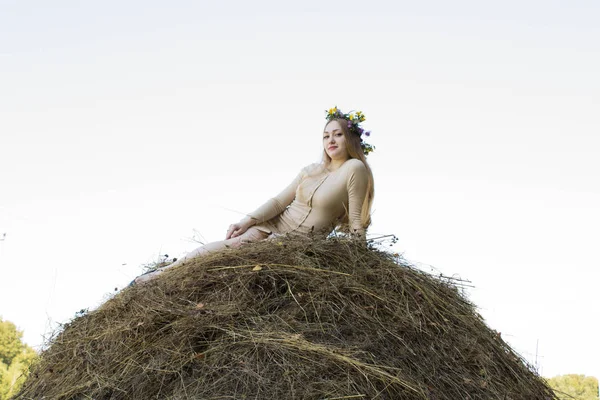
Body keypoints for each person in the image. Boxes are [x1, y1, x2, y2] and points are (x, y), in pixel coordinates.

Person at [132, 107, 375, 285]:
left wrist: (358, 266)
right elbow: (280, 201)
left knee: (241, 265)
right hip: (276, 224)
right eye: (326, 136)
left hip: (300, 243)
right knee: (233, 244)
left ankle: (165, 276)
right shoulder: (311, 170)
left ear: (350, 138)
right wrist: (247, 220)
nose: (330, 140)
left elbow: (356, 220)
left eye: (337, 134)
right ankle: (160, 276)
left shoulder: (354, 169)